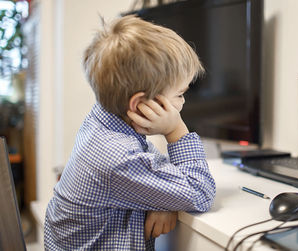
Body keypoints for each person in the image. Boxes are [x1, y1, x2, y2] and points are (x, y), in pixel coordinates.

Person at [44, 15, 216, 250]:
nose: (183, 102)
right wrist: (176, 129)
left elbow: (150, 164)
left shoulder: (101, 120)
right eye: (179, 94)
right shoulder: (118, 157)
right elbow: (200, 192)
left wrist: (162, 199)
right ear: (140, 105)